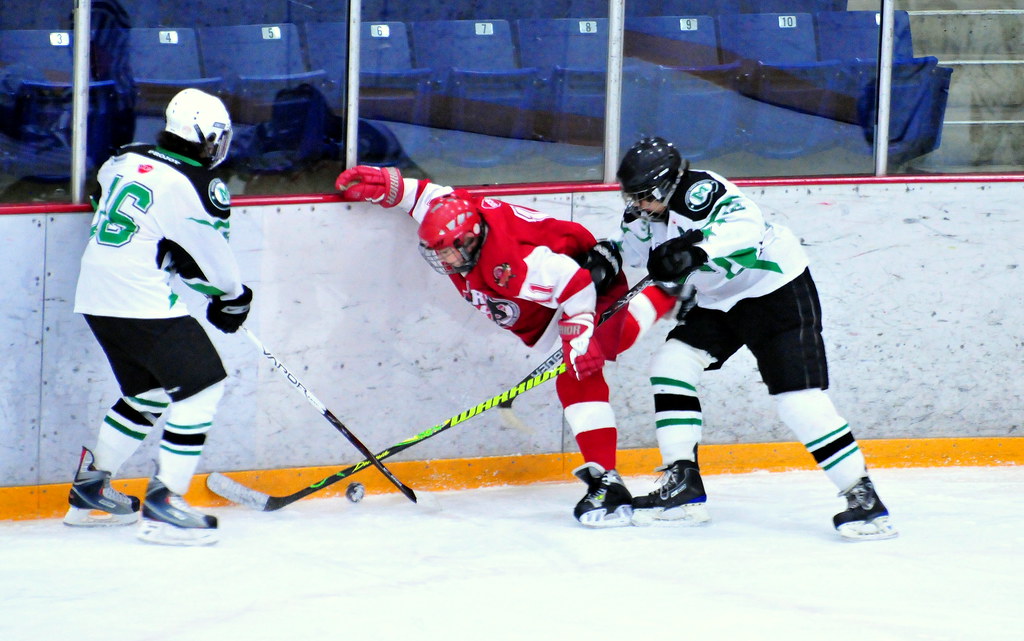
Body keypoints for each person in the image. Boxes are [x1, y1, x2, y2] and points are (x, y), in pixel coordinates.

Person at [334, 165, 679, 527]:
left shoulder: (508, 264)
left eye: (448, 254)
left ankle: (608, 483)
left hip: (589, 281)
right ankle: (666, 295)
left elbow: (575, 282)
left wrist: (579, 340)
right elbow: (427, 197)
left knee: (578, 373)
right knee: (612, 342)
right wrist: (391, 186)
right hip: (556, 294)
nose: (444, 262)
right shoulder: (458, 214)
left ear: (470, 242)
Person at [615, 136, 897, 541]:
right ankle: (683, 486)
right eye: (633, 196)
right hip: (718, 302)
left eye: (645, 195)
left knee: (797, 400)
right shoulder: (641, 218)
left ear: (666, 184)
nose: (639, 204)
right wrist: (606, 258)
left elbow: (745, 224)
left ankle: (863, 497)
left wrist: (698, 252)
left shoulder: (701, 190)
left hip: (775, 290)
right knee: (671, 367)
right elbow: (636, 257)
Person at [65, 88, 253, 546]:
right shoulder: (196, 183)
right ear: (204, 135)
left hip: (95, 291)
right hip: (136, 294)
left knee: (146, 393)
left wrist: (167, 253)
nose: (218, 146)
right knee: (204, 387)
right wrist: (232, 297)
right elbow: (211, 255)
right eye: (216, 137)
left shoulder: (123, 159)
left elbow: (105, 206)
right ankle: (166, 504)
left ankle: (91, 491)